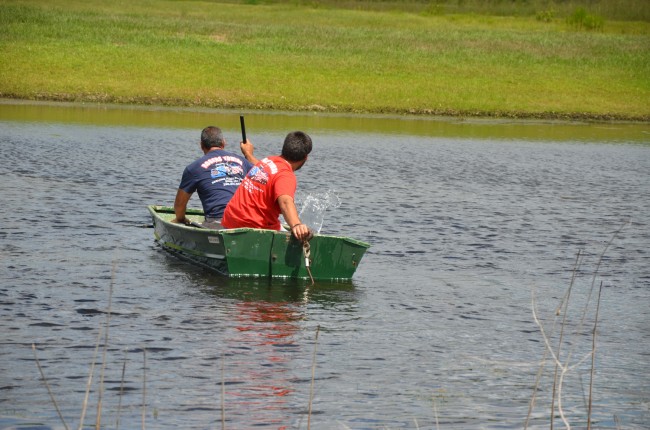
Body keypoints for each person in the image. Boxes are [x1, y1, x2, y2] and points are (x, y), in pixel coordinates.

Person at [221, 131, 313, 241]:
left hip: (229, 222)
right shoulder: (286, 176)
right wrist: (296, 225)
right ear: (306, 157)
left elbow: (259, 165)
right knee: (301, 239)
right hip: (252, 230)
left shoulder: (267, 161)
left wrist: (248, 154)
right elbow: (285, 202)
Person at [173, 126, 253, 228]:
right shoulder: (242, 161)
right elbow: (265, 172)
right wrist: (248, 154)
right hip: (248, 218)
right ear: (223, 143)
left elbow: (179, 205)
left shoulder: (193, 168)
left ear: (201, 145)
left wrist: (181, 219)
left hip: (219, 220)